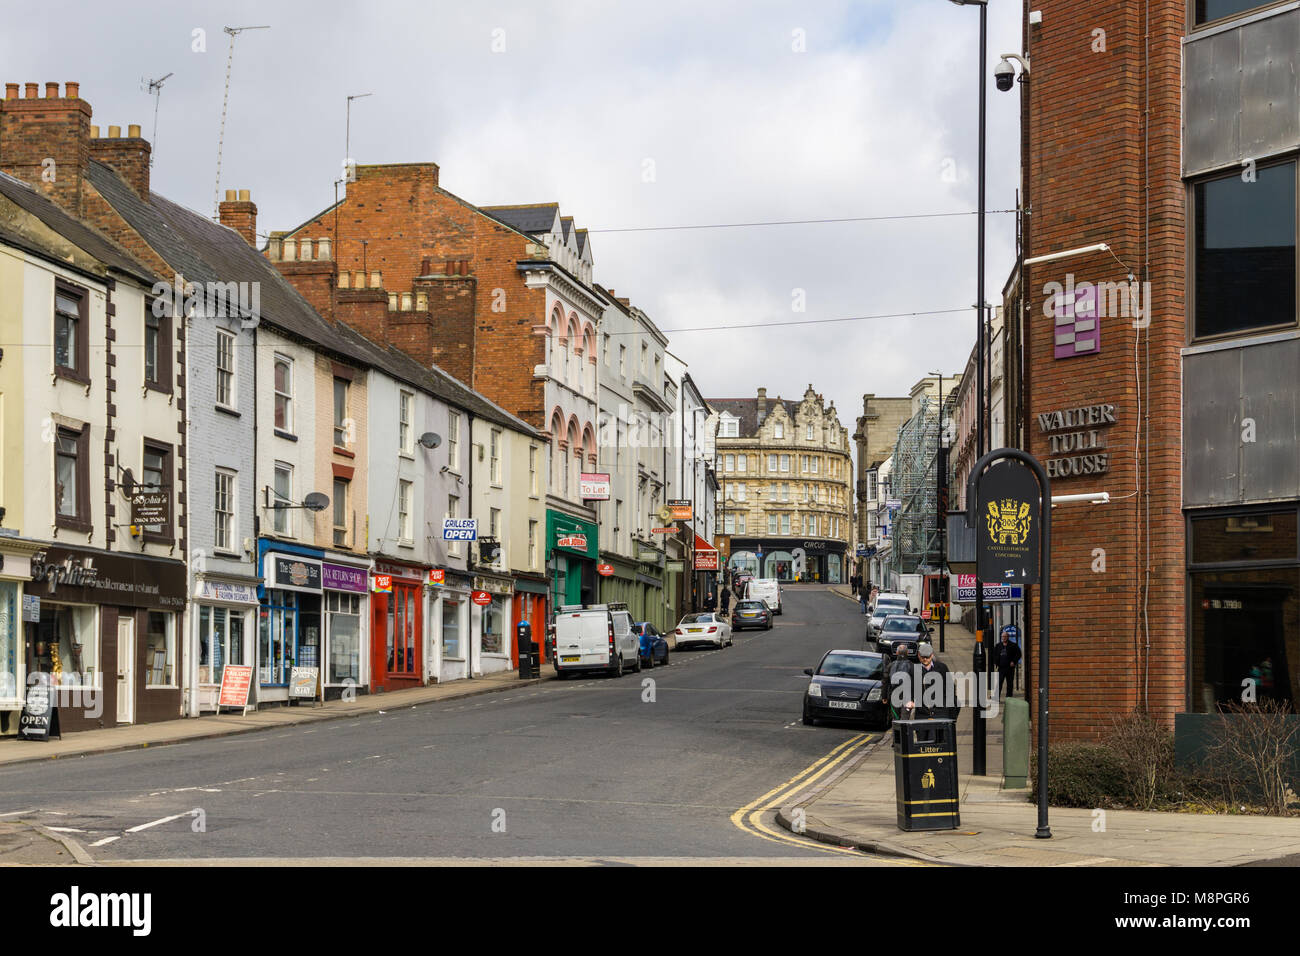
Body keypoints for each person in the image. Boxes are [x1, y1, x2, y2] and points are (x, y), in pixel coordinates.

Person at [904, 642, 952, 720]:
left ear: (932, 655)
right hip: (922, 713)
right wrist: (910, 700)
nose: (925, 659)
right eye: (923, 657)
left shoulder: (942, 668)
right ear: (919, 655)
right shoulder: (913, 670)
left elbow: (950, 688)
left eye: (928, 656)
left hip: (940, 713)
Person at [994, 629, 1022, 699]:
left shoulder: (1013, 645)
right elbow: (994, 654)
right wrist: (995, 662)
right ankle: (996, 697)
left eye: (1005, 636)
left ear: (1008, 637)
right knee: (999, 683)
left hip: (1010, 668)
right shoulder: (998, 645)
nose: (1003, 638)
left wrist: (1014, 661)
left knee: (1010, 684)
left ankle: (1008, 697)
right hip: (1001, 668)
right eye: (1002, 637)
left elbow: (1019, 654)